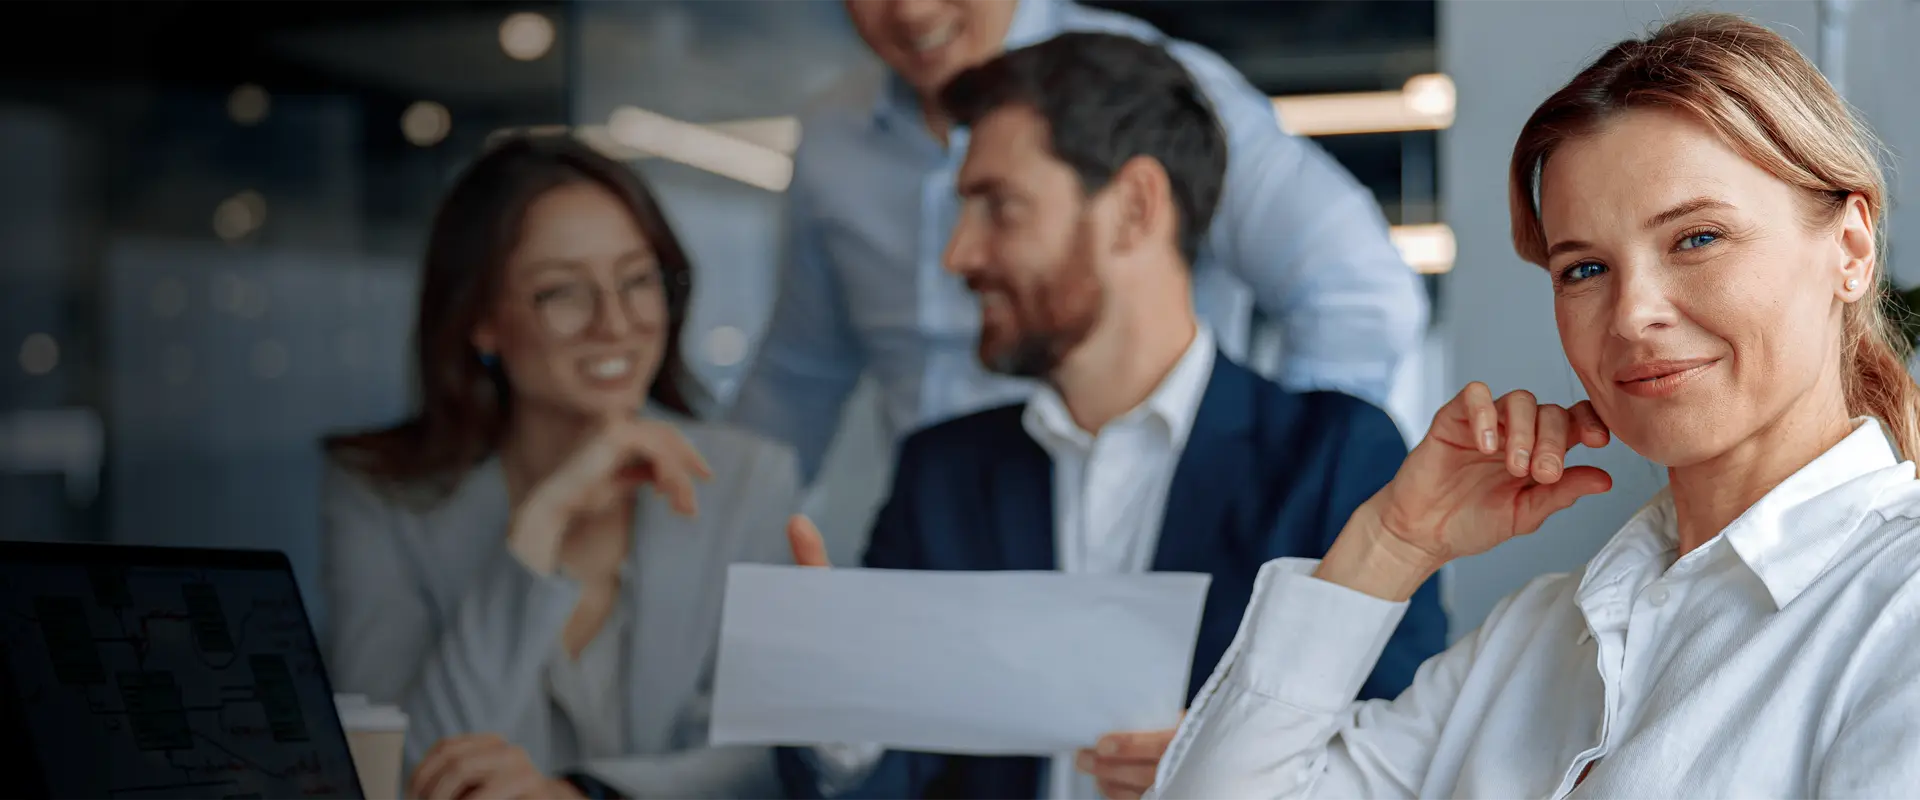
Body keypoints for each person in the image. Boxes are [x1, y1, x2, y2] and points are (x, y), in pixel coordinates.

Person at [1149, 13, 1920, 798]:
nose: (1631, 314)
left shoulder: (1900, 604)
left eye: (1697, 239)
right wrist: (1393, 543)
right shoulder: (1535, 636)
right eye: (1583, 269)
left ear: (1850, 250)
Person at [774, 34, 1448, 800]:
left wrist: (1233, 770)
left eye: (999, 207)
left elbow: (1403, 756)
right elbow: (897, 779)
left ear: (1134, 208)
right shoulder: (941, 474)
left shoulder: (1333, 460)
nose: (958, 255)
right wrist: (839, 702)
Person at [728, 0, 1429, 483]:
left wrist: (1274, 491)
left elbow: (1357, 289)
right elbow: (799, 380)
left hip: (1149, 550)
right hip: (943, 550)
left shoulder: (1149, 91)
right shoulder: (831, 141)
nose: (911, 11)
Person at [319, 135, 796, 800]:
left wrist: (579, 797)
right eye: (563, 292)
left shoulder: (748, 481)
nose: (615, 322)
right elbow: (400, 778)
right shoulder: (380, 496)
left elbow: (766, 762)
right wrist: (539, 527)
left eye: (637, 280)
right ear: (482, 321)